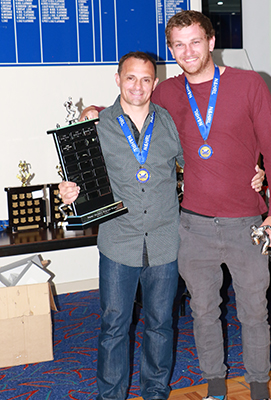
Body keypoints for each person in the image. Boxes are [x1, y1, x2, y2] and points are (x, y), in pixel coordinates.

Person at [156, 10, 271, 400]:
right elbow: (130, 111)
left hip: (246, 223)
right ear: (171, 50)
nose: (188, 52)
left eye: (195, 42)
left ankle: (259, 385)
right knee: (203, 311)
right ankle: (215, 384)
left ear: (211, 42)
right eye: (178, 45)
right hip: (193, 226)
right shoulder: (166, 93)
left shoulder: (249, 84)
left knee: (254, 311)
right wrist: (95, 112)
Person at [60, 51, 183, 400]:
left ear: (154, 83)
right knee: (114, 325)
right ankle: (111, 395)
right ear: (118, 79)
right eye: (130, 78)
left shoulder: (171, 123)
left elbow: (200, 164)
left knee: (161, 323)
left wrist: (250, 171)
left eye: (145, 79)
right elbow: (77, 178)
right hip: (118, 242)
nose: (137, 86)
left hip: (164, 240)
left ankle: (155, 391)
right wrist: (69, 191)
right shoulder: (96, 125)